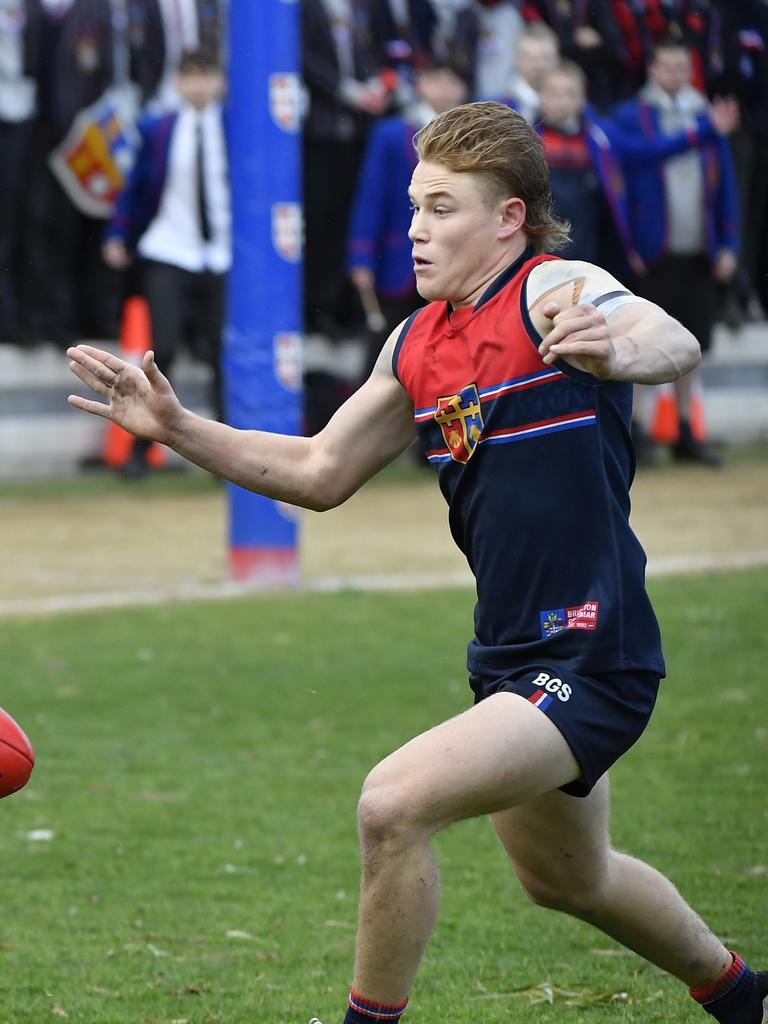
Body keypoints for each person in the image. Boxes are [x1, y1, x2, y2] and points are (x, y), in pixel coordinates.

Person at [67, 101, 767, 1024]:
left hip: (593, 650)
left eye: (442, 208)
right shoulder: (417, 343)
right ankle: (745, 1000)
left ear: (509, 217)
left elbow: (672, 339)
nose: (415, 231)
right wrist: (177, 427)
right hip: (511, 653)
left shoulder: (555, 291)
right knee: (573, 880)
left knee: (392, 804)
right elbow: (319, 471)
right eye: (412, 207)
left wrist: (618, 345)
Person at [612, 36, 740, 467]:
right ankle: (640, 431)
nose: (675, 75)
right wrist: (629, 244)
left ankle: (687, 429)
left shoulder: (703, 113)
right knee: (644, 340)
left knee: (695, 343)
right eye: (666, 66)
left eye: (682, 67)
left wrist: (729, 242)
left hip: (697, 249)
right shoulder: (634, 115)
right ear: (651, 69)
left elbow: (726, 185)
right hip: (655, 251)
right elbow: (635, 161)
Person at [103, 47, 230, 479]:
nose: (198, 85)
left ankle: (228, 456)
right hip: (169, 247)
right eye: (190, 76)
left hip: (221, 253)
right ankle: (140, 452)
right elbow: (135, 185)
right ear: (177, 82)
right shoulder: (159, 128)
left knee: (222, 354)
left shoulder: (236, 127)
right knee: (163, 349)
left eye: (206, 75)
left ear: (221, 82)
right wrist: (118, 232)